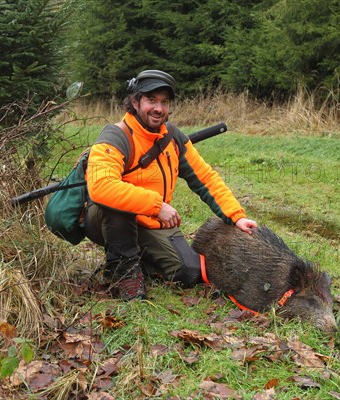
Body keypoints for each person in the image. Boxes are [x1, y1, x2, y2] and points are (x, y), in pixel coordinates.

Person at [84, 69, 257, 300]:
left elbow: (205, 178)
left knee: (189, 272)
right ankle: (123, 273)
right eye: (151, 100)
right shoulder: (115, 136)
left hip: (151, 223)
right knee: (120, 204)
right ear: (135, 102)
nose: (158, 108)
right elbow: (102, 187)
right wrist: (158, 206)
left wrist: (236, 216)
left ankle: (139, 260)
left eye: (164, 102)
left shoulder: (173, 137)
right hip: (106, 219)